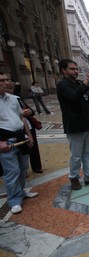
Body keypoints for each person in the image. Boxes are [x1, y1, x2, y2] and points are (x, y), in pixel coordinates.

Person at [56, 59, 89, 190]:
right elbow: (73, 97)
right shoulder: (63, 85)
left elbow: (86, 104)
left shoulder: (79, 83)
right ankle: (74, 177)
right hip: (74, 125)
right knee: (76, 154)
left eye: (76, 69)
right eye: (72, 69)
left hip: (87, 124)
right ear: (64, 70)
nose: (75, 71)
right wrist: (85, 82)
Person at [0, 72, 39, 214]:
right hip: (6, 140)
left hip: (20, 137)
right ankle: (14, 200)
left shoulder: (13, 99)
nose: (6, 83)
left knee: (23, 168)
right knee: (12, 171)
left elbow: (21, 118)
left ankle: (21, 192)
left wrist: (29, 135)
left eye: (7, 79)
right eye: (2, 80)